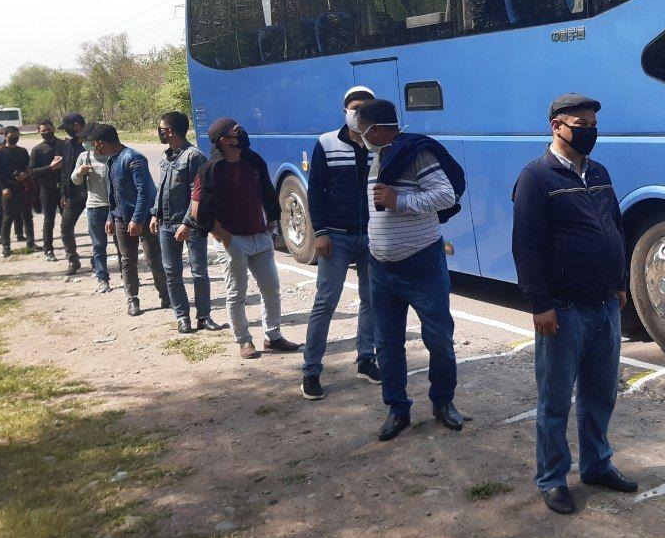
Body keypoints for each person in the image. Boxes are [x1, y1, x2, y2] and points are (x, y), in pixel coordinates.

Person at [512, 94, 636, 515]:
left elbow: (615, 226)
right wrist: (539, 304)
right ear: (556, 126)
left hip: (605, 306)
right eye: (580, 123)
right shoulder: (536, 178)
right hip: (563, 310)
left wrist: (620, 283)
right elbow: (526, 248)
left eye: (593, 123)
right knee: (556, 400)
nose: (589, 130)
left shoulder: (598, 172)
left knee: (600, 395)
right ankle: (552, 478)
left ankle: (598, 465)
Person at [357, 98, 465, 441]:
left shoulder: (415, 154)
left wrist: (398, 201)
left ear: (374, 129)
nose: (357, 134)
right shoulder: (376, 157)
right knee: (387, 345)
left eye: (360, 128)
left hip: (422, 264)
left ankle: (443, 402)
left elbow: (446, 196)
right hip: (382, 268)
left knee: (438, 339)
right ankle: (397, 409)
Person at [192, 117, 299, 359]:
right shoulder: (209, 171)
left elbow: (268, 194)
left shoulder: (253, 161)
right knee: (236, 294)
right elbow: (198, 211)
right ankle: (244, 341)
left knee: (271, 289)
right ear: (224, 140)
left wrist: (271, 225)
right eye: (235, 130)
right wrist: (223, 236)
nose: (241, 133)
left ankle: (273, 336)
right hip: (233, 242)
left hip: (260, 236)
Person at [300, 86, 380, 400]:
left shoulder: (378, 144)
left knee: (371, 299)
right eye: (354, 106)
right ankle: (311, 370)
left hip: (372, 237)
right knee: (325, 302)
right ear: (345, 110)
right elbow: (315, 191)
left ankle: (366, 359)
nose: (359, 111)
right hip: (336, 236)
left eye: (366, 106)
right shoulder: (327, 143)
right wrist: (319, 232)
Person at [150, 111, 222, 334]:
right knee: (172, 274)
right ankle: (182, 317)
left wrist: (188, 223)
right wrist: (155, 213)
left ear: (170, 131)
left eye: (161, 129)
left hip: (190, 225)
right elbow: (162, 188)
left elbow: (198, 193)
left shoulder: (193, 156)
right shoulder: (165, 156)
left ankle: (204, 316)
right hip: (166, 223)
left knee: (199, 271)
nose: (160, 133)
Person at [94, 124, 170, 317]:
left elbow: (144, 192)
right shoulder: (111, 160)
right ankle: (132, 299)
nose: (95, 148)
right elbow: (113, 193)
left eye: (95, 144)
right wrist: (111, 216)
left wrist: (136, 219)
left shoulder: (133, 158)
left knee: (154, 260)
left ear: (101, 143)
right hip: (121, 219)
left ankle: (166, 296)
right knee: (127, 261)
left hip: (142, 218)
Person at [70, 123, 113, 293]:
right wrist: (80, 172)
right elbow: (75, 180)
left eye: (91, 140)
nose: (88, 144)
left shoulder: (112, 155)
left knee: (122, 245)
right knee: (98, 245)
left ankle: (128, 276)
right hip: (95, 206)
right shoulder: (84, 157)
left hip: (114, 207)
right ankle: (102, 278)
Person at [28, 118, 65, 262]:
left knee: (66, 221)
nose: (47, 132)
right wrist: (50, 168)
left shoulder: (63, 145)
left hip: (63, 189)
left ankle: (70, 250)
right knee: (49, 221)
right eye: (43, 130)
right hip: (47, 190)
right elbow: (32, 171)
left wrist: (63, 162)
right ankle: (48, 250)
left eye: (49, 129)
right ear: (39, 132)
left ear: (54, 129)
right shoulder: (37, 150)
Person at [58, 113, 90, 276]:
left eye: (68, 127)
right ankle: (73, 260)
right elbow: (65, 171)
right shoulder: (68, 145)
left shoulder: (93, 141)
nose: (67, 131)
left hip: (95, 194)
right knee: (65, 227)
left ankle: (117, 261)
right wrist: (63, 193)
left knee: (102, 229)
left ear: (77, 125)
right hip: (74, 194)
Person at [0, 126, 35, 257]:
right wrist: (3, 188)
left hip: (23, 188)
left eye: (17, 135)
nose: (15, 137)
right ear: (6, 136)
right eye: (12, 135)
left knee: (28, 217)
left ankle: (30, 243)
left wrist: (26, 174)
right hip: (8, 191)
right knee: (7, 218)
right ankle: (6, 247)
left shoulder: (22, 151)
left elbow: (30, 167)